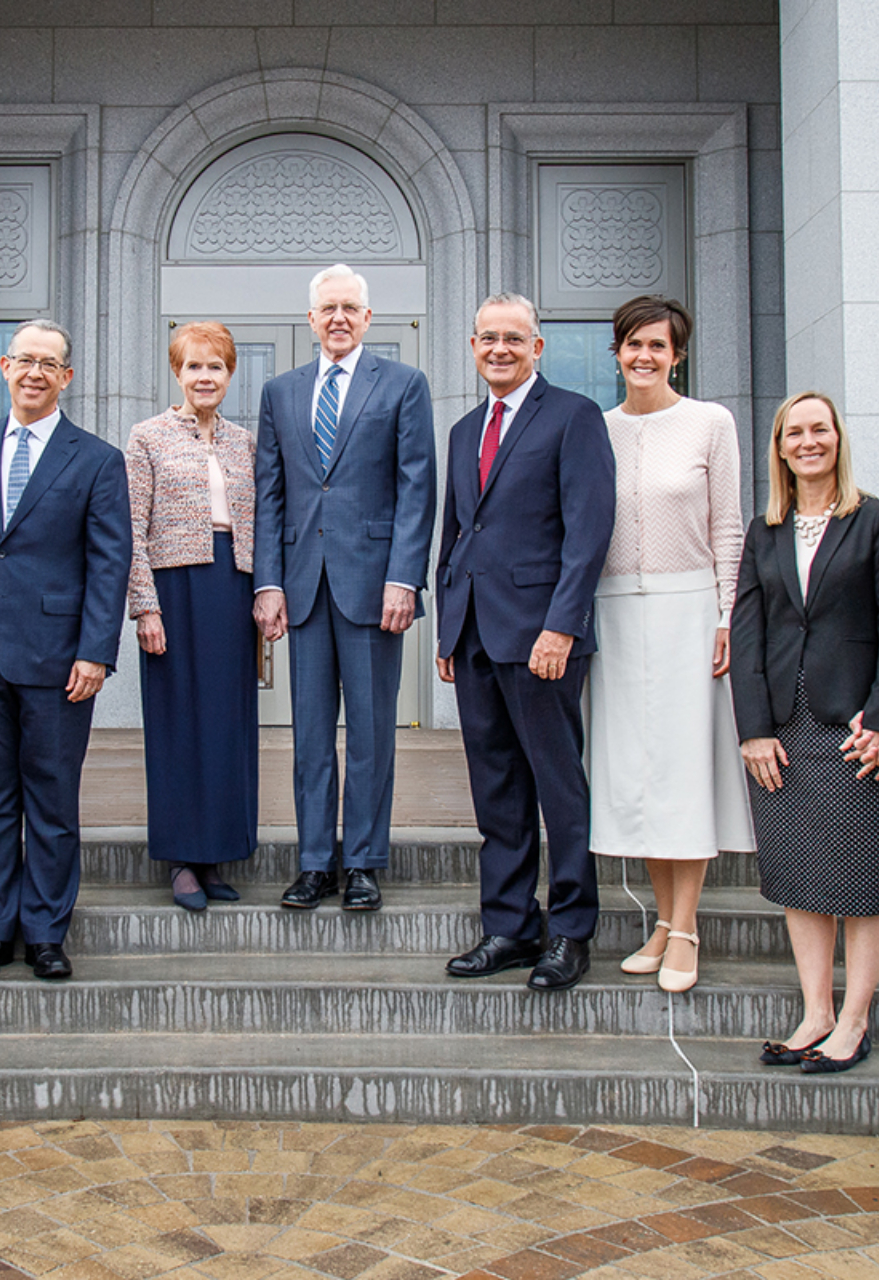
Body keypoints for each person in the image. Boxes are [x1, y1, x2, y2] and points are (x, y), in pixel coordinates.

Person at [0, 319, 131, 982]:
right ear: (6, 367)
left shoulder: (97, 459)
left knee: (49, 798)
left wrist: (96, 650)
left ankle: (45, 930)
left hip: (58, 658)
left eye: (50, 363)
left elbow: (109, 560)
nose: (35, 373)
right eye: (25, 361)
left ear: (66, 376)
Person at [437, 294, 616, 992]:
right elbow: (456, 534)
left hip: (542, 634)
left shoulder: (573, 417)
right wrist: (451, 627)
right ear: (473, 346)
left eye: (515, 338)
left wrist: (561, 626)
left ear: (537, 347)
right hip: (477, 632)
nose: (501, 349)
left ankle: (571, 929)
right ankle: (510, 923)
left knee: (557, 784)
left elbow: (589, 529)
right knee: (497, 787)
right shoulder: (461, 430)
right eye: (489, 338)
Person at [730, 391, 879, 1075]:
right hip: (783, 728)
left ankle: (856, 1019)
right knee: (799, 874)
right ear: (779, 448)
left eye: (820, 429)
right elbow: (748, 634)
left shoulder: (878, 522)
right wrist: (753, 729)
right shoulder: (765, 530)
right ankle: (816, 1012)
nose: (808, 441)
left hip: (856, 726)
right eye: (794, 432)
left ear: (838, 438)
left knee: (862, 876)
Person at [254, 264, 436, 912]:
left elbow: (418, 489)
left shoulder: (404, 386)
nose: (338, 318)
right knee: (308, 735)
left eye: (349, 308)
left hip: (373, 587)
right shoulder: (280, 392)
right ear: (311, 320)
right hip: (302, 586)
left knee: (370, 732)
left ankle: (361, 860)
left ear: (367, 318)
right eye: (327, 308)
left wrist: (403, 578)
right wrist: (268, 582)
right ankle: (313, 863)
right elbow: (269, 495)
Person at [586, 294, 754, 994]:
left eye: (658, 345)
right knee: (638, 778)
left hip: (691, 612)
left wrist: (727, 617)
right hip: (616, 612)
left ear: (677, 354)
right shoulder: (597, 429)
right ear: (618, 352)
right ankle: (661, 919)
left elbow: (728, 527)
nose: (644, 356)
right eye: (633, 345)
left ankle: (686, 925)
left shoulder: (711, 423)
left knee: (685, 772)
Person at [127, 322, 257, 911]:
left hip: (233, 585)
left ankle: (214, 854)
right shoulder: (147, 438)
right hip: (174, 589)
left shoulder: (245, 442)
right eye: (194, 367)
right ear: (177, 373)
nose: (205, 377)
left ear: (229, 375)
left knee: (226, 723)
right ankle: (181, 858)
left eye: (216, 367)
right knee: (178, 723)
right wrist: (144, 605)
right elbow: (130, 529)